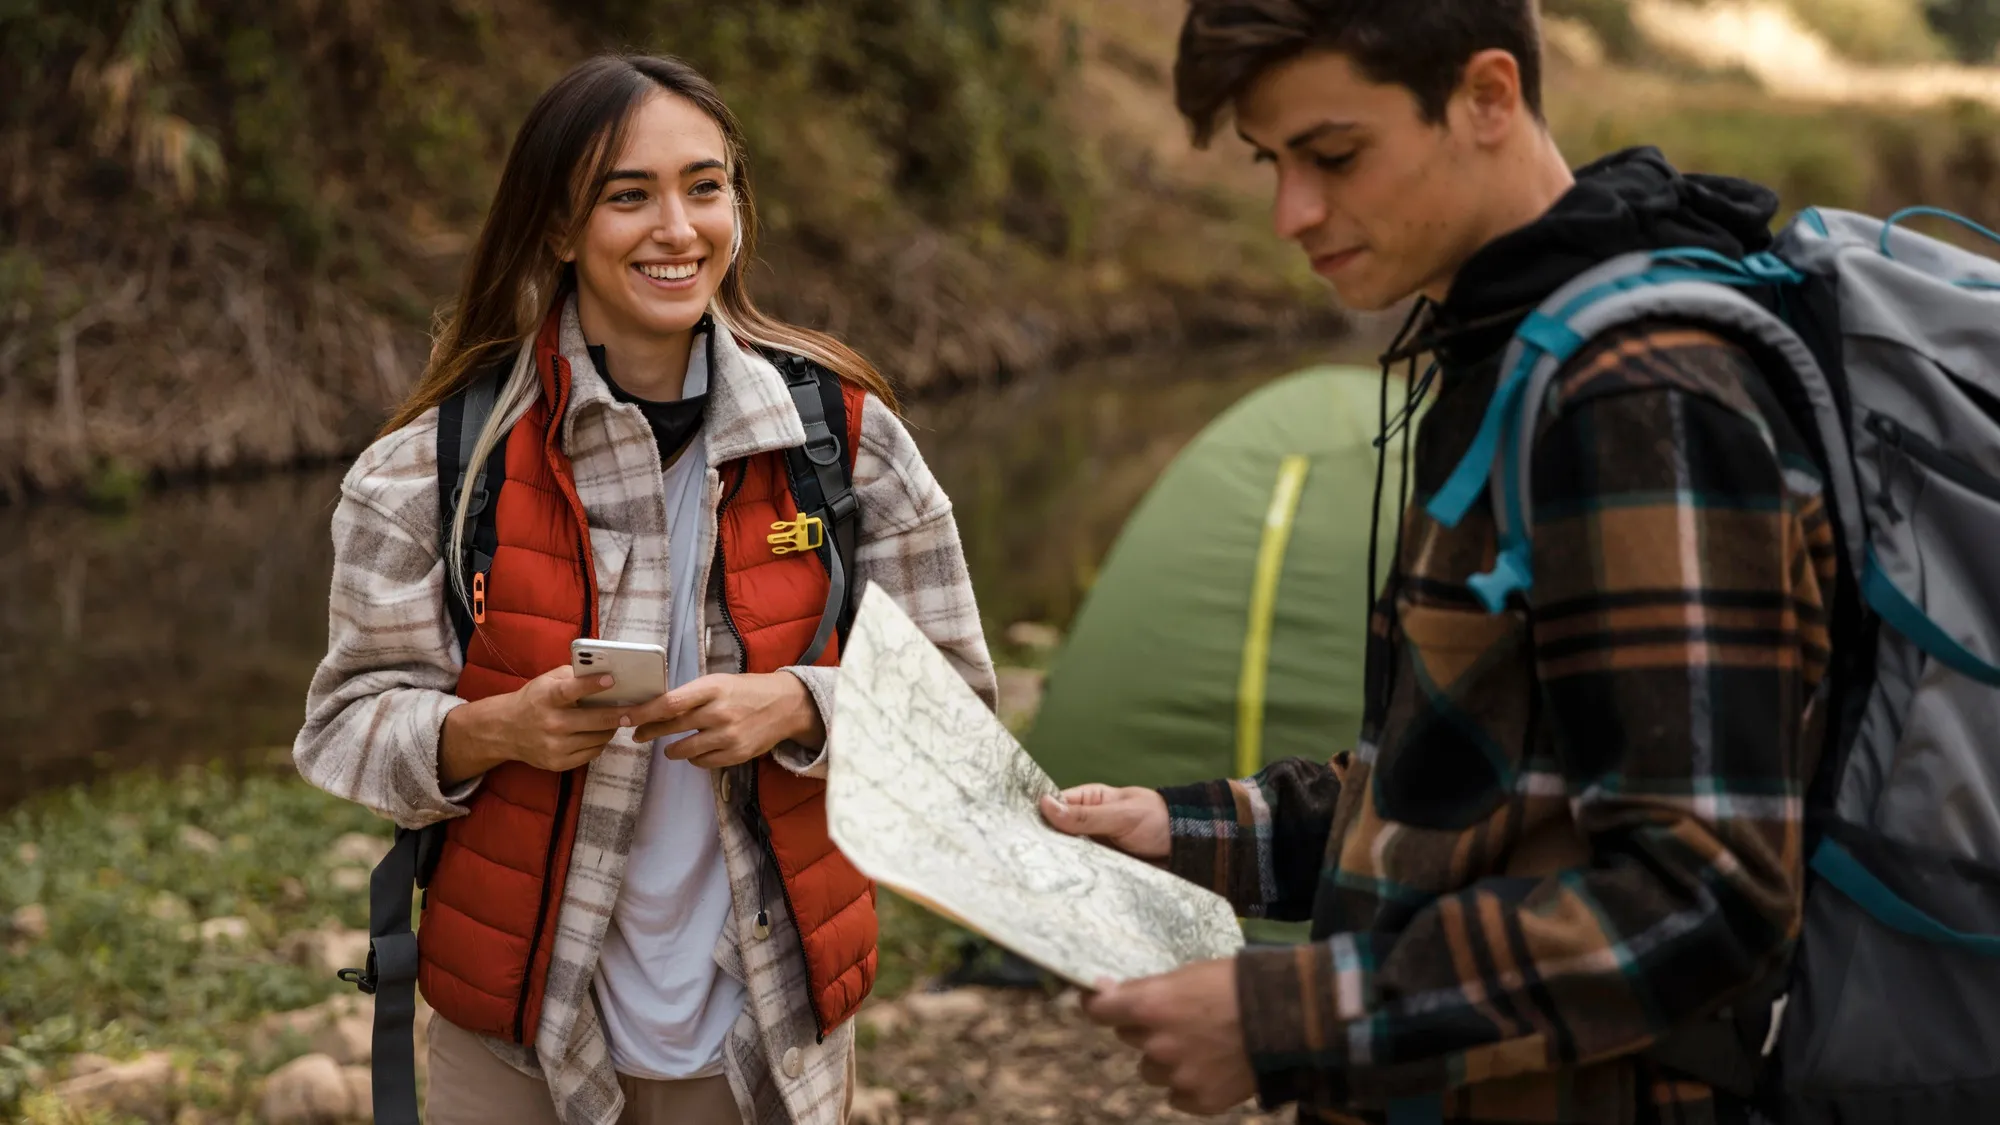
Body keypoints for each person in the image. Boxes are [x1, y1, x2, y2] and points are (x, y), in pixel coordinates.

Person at [1042, 3, 1830, 1123]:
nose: (1289, 212)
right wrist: (1181, 831)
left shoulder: (1637, 397)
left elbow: (1705, 894)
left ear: (1487, 97)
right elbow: (1468, 787)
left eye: (1333, 155)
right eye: (1271, 164)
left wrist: (1285, 1024)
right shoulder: (1502, 347)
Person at [294, 53, 996, 1125]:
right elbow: (346, 726)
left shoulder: (844, 442)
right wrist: (495, 731)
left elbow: (959, 710)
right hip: (516, 1041)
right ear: (558, 228)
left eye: (704, 187)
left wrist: (802, 703)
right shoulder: (432, 465)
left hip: (763, 1032)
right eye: (629, 195)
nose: (678, 228)